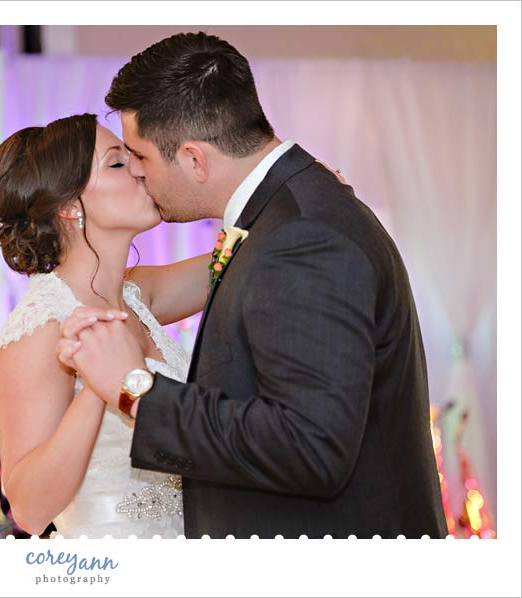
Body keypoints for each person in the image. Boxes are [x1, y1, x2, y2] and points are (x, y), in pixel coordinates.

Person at [58, 32, 448, 538]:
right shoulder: (289, 213)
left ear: (195, 159)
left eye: (141, 156)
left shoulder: (300, 237)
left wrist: (137, 390)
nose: (136, 172)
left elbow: (310, 447)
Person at [0, 113, 213, 538]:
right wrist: (97, 387)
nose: (140, 169)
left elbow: (234, 259)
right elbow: (30, 510)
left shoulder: (136, 296)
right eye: (116, 163)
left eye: (133, 157)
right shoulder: (42, 327)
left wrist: (284, 203)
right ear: (70, 207)